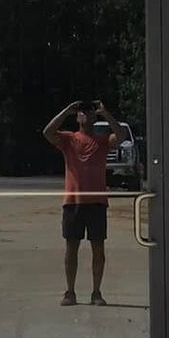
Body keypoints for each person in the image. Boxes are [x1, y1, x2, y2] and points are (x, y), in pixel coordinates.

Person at [42, 98, 127, 306]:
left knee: (98, 249)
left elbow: (122, 136)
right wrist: (67, 110)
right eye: (82, 111)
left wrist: (105, 113)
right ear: (77, 116)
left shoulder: (102, 141)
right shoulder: (69, 139)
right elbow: (47, 132)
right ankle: (70, 291)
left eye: (89, 112)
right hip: (73, 202)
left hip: (97, 202)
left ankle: (96, 292)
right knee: (72, 248)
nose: (86, 114)